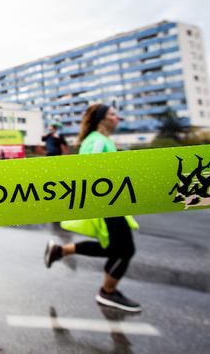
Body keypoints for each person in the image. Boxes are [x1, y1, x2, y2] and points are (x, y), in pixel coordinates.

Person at [44, 104, 140, 312]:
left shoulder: (103, 140)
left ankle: (61, 250)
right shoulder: (96, 141)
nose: (117, 117)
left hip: (111, 201)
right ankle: (107, 292)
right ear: (101, 119)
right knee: (125, 249)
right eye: (113, 114)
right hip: (105, 203)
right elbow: (89, 170)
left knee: (112, 247)